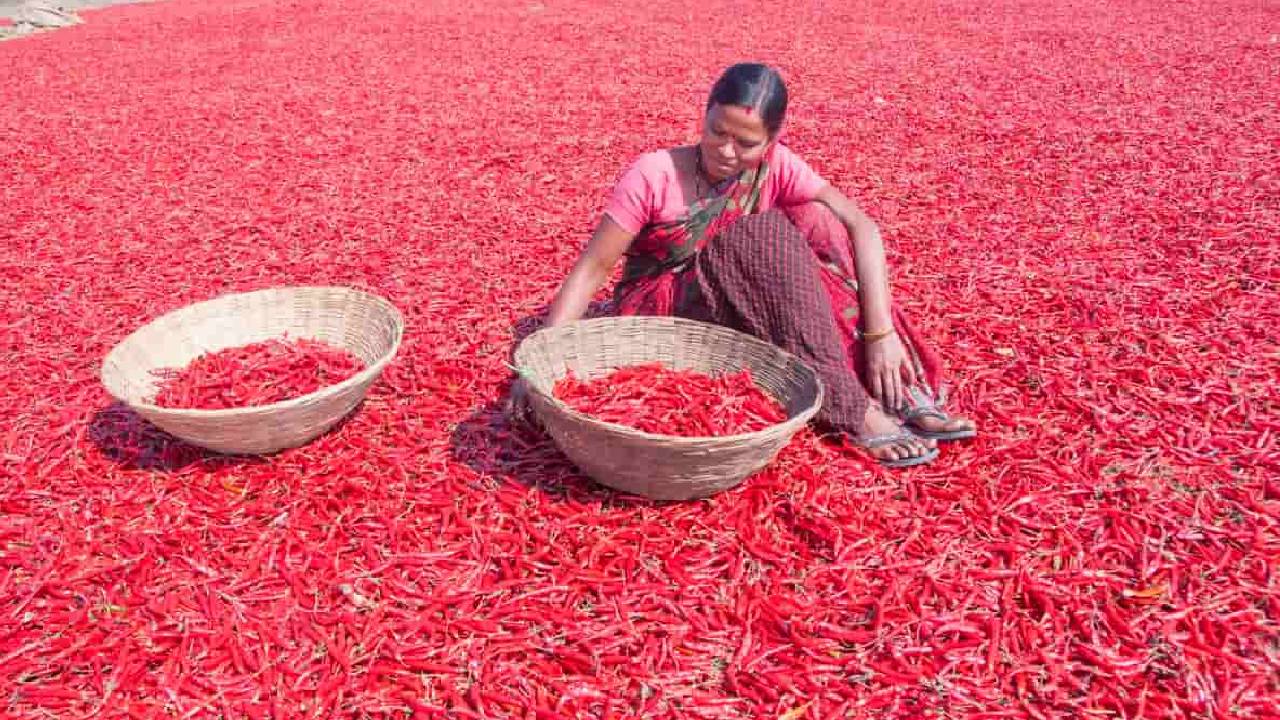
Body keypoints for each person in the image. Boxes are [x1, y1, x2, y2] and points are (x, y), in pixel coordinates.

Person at [528, 63, 975, 467]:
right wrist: (543, 363)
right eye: (717, 131)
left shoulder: (775, 166)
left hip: (742, 296)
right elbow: (592, 269)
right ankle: (855, 408)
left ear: (772, 139)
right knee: (759, 237)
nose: (726, 151)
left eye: (746, 143)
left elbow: (862, 225)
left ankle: (888, 383)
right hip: (663, 305)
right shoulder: (654, 174)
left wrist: (881, 334)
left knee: (818, 221)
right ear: (704, 115)